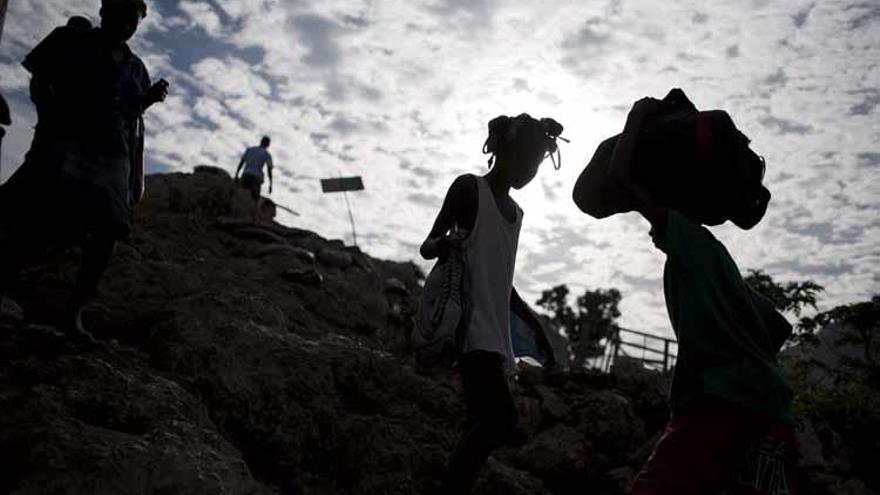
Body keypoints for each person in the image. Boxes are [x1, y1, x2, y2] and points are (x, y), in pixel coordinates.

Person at [581, 98, 797, 494]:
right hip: (773, 416)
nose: (651, 230)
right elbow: (776, 328)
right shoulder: (722, 265)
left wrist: (636, 115)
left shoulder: (688, 241)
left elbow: (621, 178)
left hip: (717, 408)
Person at [0, 0, 168, 340]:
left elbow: (130, 117)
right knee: (32, 216)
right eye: (121, 16)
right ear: (104, 12)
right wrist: (49, 118)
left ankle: (73, 313)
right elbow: (39, 77)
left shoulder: (136, 68)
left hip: (113, 158)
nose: (126, 26)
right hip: (67, 142)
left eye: (133, 22)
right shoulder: (70, 40)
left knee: (108, 231)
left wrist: (147, 100)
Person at [421, 113, 562, 494]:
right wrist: (446, 244)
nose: (530, 171)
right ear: (504, 150)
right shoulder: (469, 189)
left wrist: (535, 328)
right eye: (527, 160)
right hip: (468, 328)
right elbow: (427, 246)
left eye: (536, 165)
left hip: (494, 335)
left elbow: (502, 281)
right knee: (502, 419)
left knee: (483, 421)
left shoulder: (516, 214)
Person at [235, 136, 274, 203]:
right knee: (254, 199)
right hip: (256, 178)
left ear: (261, 141)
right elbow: (269, 170)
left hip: (246, 174)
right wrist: (270, 184)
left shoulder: (250, 150)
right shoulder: (267, 154)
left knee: (240, 196)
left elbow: (241, 162)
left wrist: (237, 174)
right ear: (268, 145)